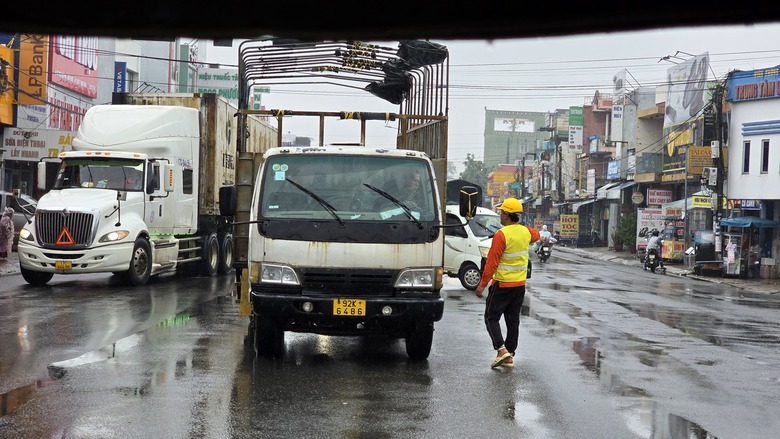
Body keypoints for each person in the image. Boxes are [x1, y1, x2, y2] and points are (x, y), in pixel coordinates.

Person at [475, 197, 540, 369]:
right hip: (519, 286)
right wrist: (522, 231)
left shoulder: (501, 235)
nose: (500, 214)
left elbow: (491, 263)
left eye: (501, 212)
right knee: (513, 321)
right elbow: (537, 234)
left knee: (491, 317)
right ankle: (510, 355)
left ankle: (501, 349)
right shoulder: (526, 232)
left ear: (506, 215)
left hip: (502, 285)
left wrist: (482, 285)